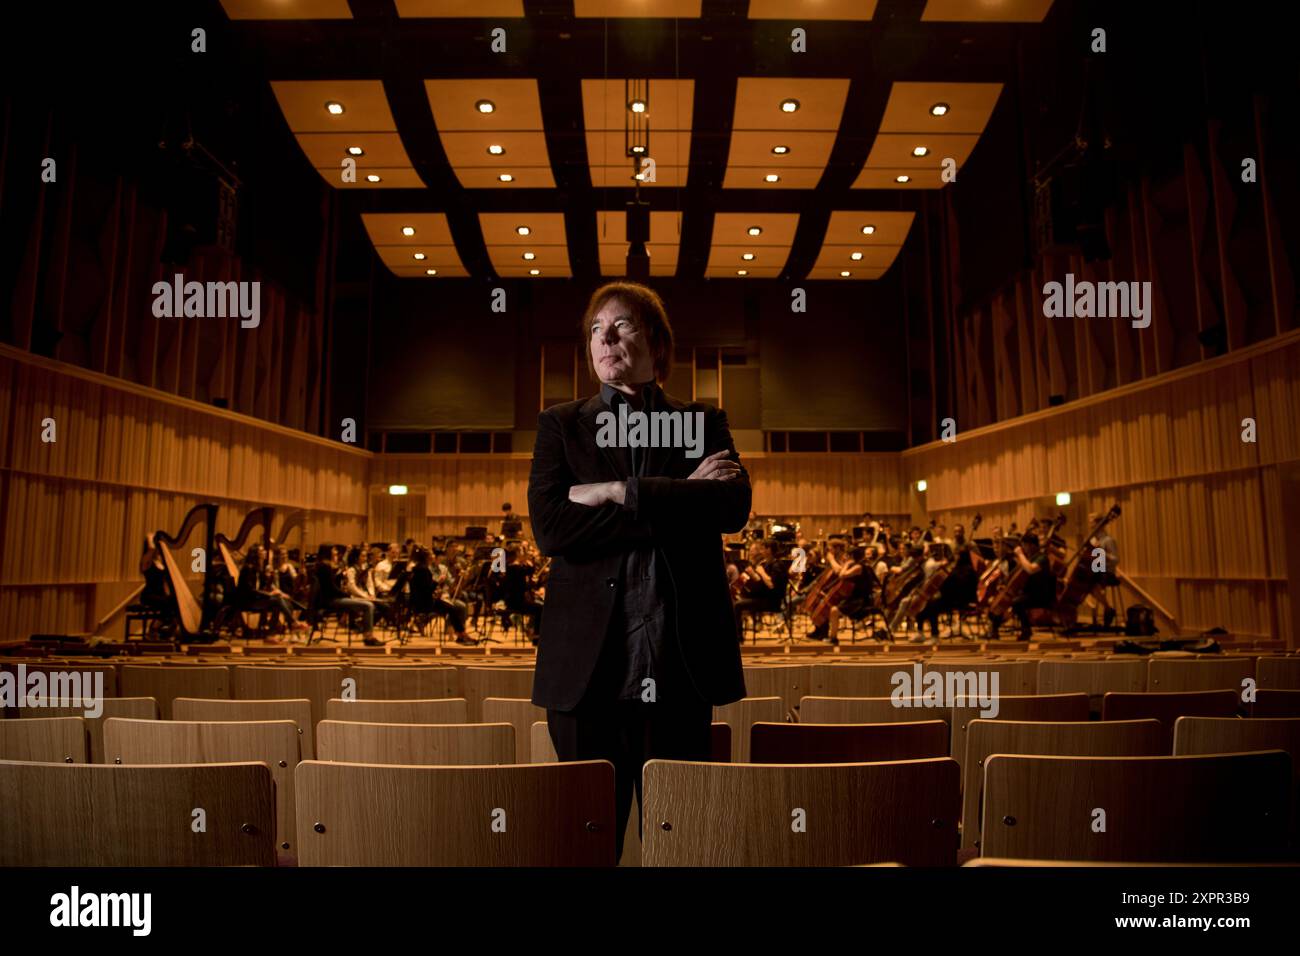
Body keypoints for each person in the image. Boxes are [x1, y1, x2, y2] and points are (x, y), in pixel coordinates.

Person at [528, 280, 750, 861]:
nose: (604, 337)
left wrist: (614, 491)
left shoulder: (703, 422)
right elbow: (552, 528)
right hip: (587, 679)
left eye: (621, 324)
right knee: (584, 847)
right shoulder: (560, 425)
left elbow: (730, 509)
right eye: (595, 329)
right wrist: (676, 499)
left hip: (679, 668)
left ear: (656, 340)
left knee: (680, 848)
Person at [314, 544, 382, 646]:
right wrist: (346, 595)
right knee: (368, 605)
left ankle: (364, 631)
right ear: (328, 552)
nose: (336, 552)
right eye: (334, 550)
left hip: (333, 598)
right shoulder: (325, 567)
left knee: (369, 604)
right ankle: (368, 637)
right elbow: (330, 589)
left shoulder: (326, 566)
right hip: (330, 601)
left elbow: (333, 586)